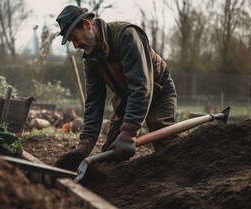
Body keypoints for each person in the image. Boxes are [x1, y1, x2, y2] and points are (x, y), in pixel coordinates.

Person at [54, 5, 178, 170]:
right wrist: (83, 149)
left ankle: (182, 176)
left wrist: (128, 133)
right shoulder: (90, 60)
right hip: (127, 97)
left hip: (158, 89)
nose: (75, 46)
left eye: (75, 38)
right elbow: (93, 103)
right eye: (72, 42)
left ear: (87, 25)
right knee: (111, 152)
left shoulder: (126, 36)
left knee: (162, 133)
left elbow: (142, 88)